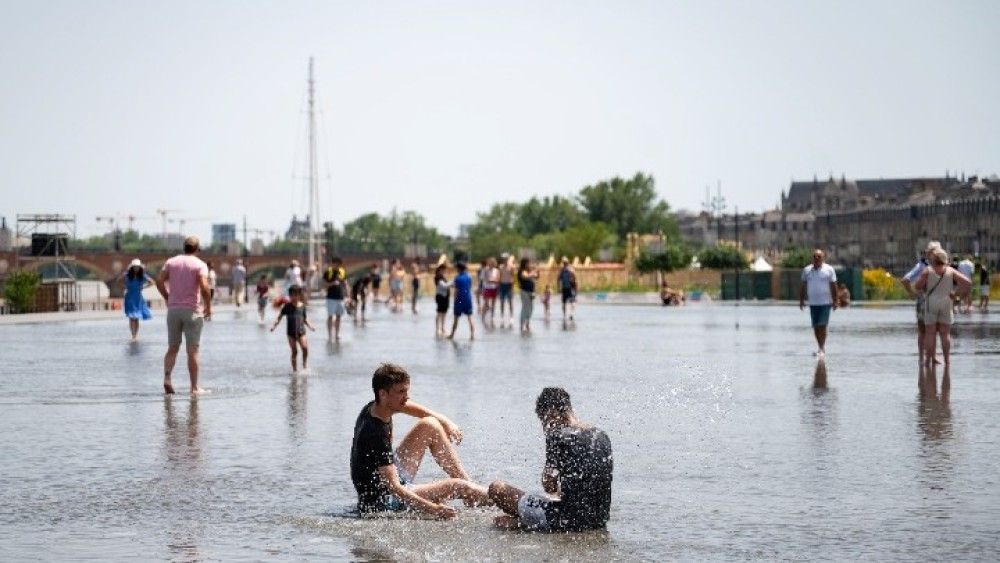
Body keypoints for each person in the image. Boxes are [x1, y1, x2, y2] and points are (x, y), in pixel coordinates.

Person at [350, 363, 490, 518]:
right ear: (383, 393)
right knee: (457, 486)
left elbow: (411, 407)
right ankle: (505, 500)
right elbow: (394, 488)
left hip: (389, 479)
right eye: (401, 392)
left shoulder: (376, 406)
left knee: (430, 424)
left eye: (407, 390)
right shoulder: (375, 433)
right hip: (384, 500)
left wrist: (446, 422)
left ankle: (472, 491)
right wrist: (434, 509)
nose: (407, 396)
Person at [488, 387, 613, 532]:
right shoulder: (601, 435)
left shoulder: (557, 436)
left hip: (565, 521)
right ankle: (523, 522)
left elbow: (549, 486)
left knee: (497, 489)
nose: (544, 427)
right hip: (598, 520)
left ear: (551, 414)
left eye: (543, 421)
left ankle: (526, 524)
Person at [155, 235, 212, 394]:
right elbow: (204, 286)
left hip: (173, 311)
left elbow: (159, 281)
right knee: (192, 351)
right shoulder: (200, 265)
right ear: (197, 250)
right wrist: (208, 305)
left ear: (184, 248)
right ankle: (194, 387)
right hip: (192, 310)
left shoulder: (171, 262)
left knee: (172, 348)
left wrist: (167, 297)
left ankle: (167, 378)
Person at [914, 248, 971, 367]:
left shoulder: (928, 270)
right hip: (946, 302)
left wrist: (924, 285)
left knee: (930, 333)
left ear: (933, 259)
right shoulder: (950, 270)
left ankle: (928, 361)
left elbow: (917, 286)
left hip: (931, 303)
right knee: (945, 334)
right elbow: (967, 283)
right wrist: (956, 294)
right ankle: (947, 361)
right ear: (945, 259)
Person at [902, 241, 940, 364]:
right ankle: (926, 357)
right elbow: (905, 280)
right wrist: (912, 293)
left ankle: (928, 357)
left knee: (928, 330)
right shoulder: (923, 266)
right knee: (926, 330)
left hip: (929, 302)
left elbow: (906, 280)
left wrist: (912, 293)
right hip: (926, 302)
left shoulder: (936, 265)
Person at [798, 249, 838, 357]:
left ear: (823, 258)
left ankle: (822, 348)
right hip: (813, 303)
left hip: (825, 302)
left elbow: (833, 286)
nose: (816, 259)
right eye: (815, 256)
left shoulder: (829, 270)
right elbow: (803, 286)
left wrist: (835, 300)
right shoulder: (807, 270)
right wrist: (801, 301)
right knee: (815, 326)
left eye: (819, 257)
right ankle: (820, 347)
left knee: (822, 325)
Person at [270, 285, 315, 373]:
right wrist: (274, 326)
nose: (293, 297)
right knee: (294, 351)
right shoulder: (287, 306)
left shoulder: (302, 306)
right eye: (291, 295)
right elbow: (279, 317)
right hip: (291, 333)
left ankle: (304, 364)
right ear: (289, 296)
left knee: (305, 348)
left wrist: (310, 326)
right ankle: (295, 370)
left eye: (296, 295)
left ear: (299, 295)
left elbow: (305, 319)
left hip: (301, 331)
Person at [123, 258, 153, 341]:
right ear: (132, 267)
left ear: (140, 267)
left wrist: (143, 287)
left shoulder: (142, 275)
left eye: (138, 267)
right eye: (135, 267)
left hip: (138, 298)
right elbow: (118, 281)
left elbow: (152, 282)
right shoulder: (127, 275)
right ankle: (133, 336)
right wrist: (125, 286)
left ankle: (135, 336)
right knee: (131, 317)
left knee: (136, 317)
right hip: (129, 297)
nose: (136, 268)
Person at [448, 262, 475, 340]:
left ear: (458, 269)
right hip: (468, 298)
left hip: (459, 300)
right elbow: (469, 287)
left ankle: (452, 335)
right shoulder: (469, 277)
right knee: (470, 317)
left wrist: (454, 299)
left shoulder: (457, 278)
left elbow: (456, 290)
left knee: (456, 318)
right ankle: (472, 335)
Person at [323, 257, 348, 342]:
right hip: (331, 298)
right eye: (335, 263)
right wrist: (332, 283)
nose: (337, 265)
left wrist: (348, 296)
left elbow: (345, 283)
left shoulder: (342, 272)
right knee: (330, 316)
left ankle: (337, 334)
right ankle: (329, 335)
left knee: (339, 316)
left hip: (340, 298)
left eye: (338, 264)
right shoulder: (328, 272)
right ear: (332, 263)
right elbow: (324, 285)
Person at [517, 257, 539, 332]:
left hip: (531, 292)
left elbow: (536, 277)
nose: (529, 264)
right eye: (527, 263)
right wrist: (532, 274)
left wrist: (537, 271)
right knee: (525, 307)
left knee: (531, 308)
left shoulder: (529, 271)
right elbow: (525, 277)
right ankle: (522, 325)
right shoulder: (521, 271)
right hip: (524, 291)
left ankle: (527, 323)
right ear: (524, 264)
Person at [498, 253, 515, 328]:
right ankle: (502, 317)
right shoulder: (500, 267)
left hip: (509, 284)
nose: (504, 260)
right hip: (502, 285)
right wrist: (499, 286)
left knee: (510, 302)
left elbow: (513, 276)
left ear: (507, 259)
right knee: (502, 302)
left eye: (505, 258)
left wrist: (512, 286)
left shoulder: (511, 266)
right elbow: (499, 276)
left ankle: (511, 317)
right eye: (503, 258)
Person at [434, 264, 451, 337]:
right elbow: (444, 285)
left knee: (444, 313)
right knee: (439, 313)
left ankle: (443, 328)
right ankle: (437, 329)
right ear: (440, 270)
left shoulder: (442, 277)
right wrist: (453, 282)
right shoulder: (438, 277)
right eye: (443, 269)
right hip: (440, 296)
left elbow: (446, 285)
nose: (444, 271)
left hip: (445, 297)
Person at [481, 257, 499, 327]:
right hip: (487, 287)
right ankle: (483, 316)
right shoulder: (485, 269)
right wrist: (491, 280)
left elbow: (497, 279)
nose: (492, 264)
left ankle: (492, 317)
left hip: (494, 288)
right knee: (486, 304)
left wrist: (493, 280)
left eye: (493, 263)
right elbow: (484, 279)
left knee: (493, 304)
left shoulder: (496, 270)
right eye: (490, 262)